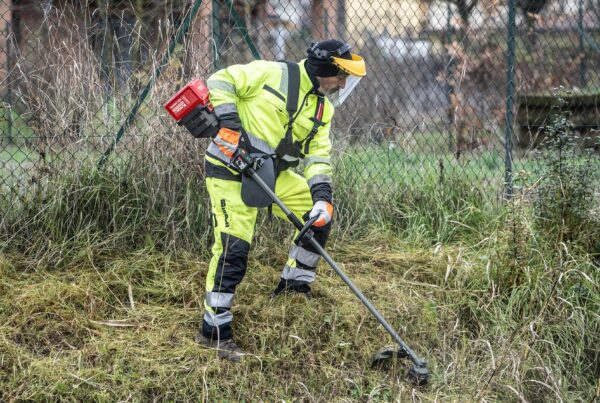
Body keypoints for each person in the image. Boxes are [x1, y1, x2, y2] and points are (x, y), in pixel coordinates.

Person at [196, 39, 366, 362]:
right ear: (325, 69)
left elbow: (318, 157)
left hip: (272, 172)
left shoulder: (322, 109)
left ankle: (292, 290)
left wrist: (322, 198)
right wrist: (231, 127)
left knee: (319, 219)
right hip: (230, 168)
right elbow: (220, 81)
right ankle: (214, 330)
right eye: (341, 76)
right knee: (234, 247)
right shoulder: (271, 73)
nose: (343, 84)